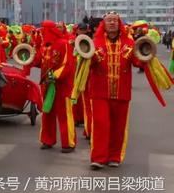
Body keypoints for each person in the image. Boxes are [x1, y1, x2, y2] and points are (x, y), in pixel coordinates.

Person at [87, 12, 147, 170]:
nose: (112, 23)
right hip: (99, 91)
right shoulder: (95, 42)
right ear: (104, 24)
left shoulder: (129, 42)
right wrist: (83, 56)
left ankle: (114, 156)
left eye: (115, 20)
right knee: (101, 124)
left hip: (121, 91)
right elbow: (88, 64)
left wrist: (146, 56)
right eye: (109, 20)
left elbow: (137, 62)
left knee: (118, 127)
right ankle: (98, 158)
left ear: (119, 23)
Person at [24, 21, 76, 153]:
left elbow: (68, 65)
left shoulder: (64, 44)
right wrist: (28, 60)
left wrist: (55, 76)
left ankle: (68, 143)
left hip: (62, 85)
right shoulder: (44, 47)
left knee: (64, 114)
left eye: (43, 31)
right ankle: (47, 140)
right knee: (47, 112)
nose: (41, 33)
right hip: (47, 85)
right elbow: (39, 62)